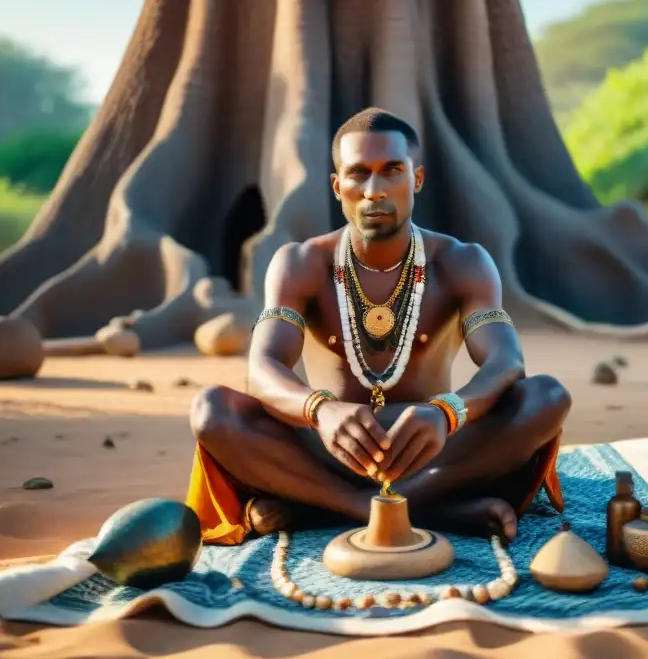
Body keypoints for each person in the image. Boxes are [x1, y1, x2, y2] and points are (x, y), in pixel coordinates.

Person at [186, 107, 571, 546]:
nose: (374, 191)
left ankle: (318, 507)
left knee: (546, 397)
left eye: (392, 171)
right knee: (213, 410)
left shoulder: (463, 261)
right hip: (329, 447)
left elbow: (506, 362)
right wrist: (321, 410)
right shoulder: (301, 263)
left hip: (432, 449)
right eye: (358, 174)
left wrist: (447, 412)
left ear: (417, 179)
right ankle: (402, 509)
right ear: (338, 187)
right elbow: (262, 368)